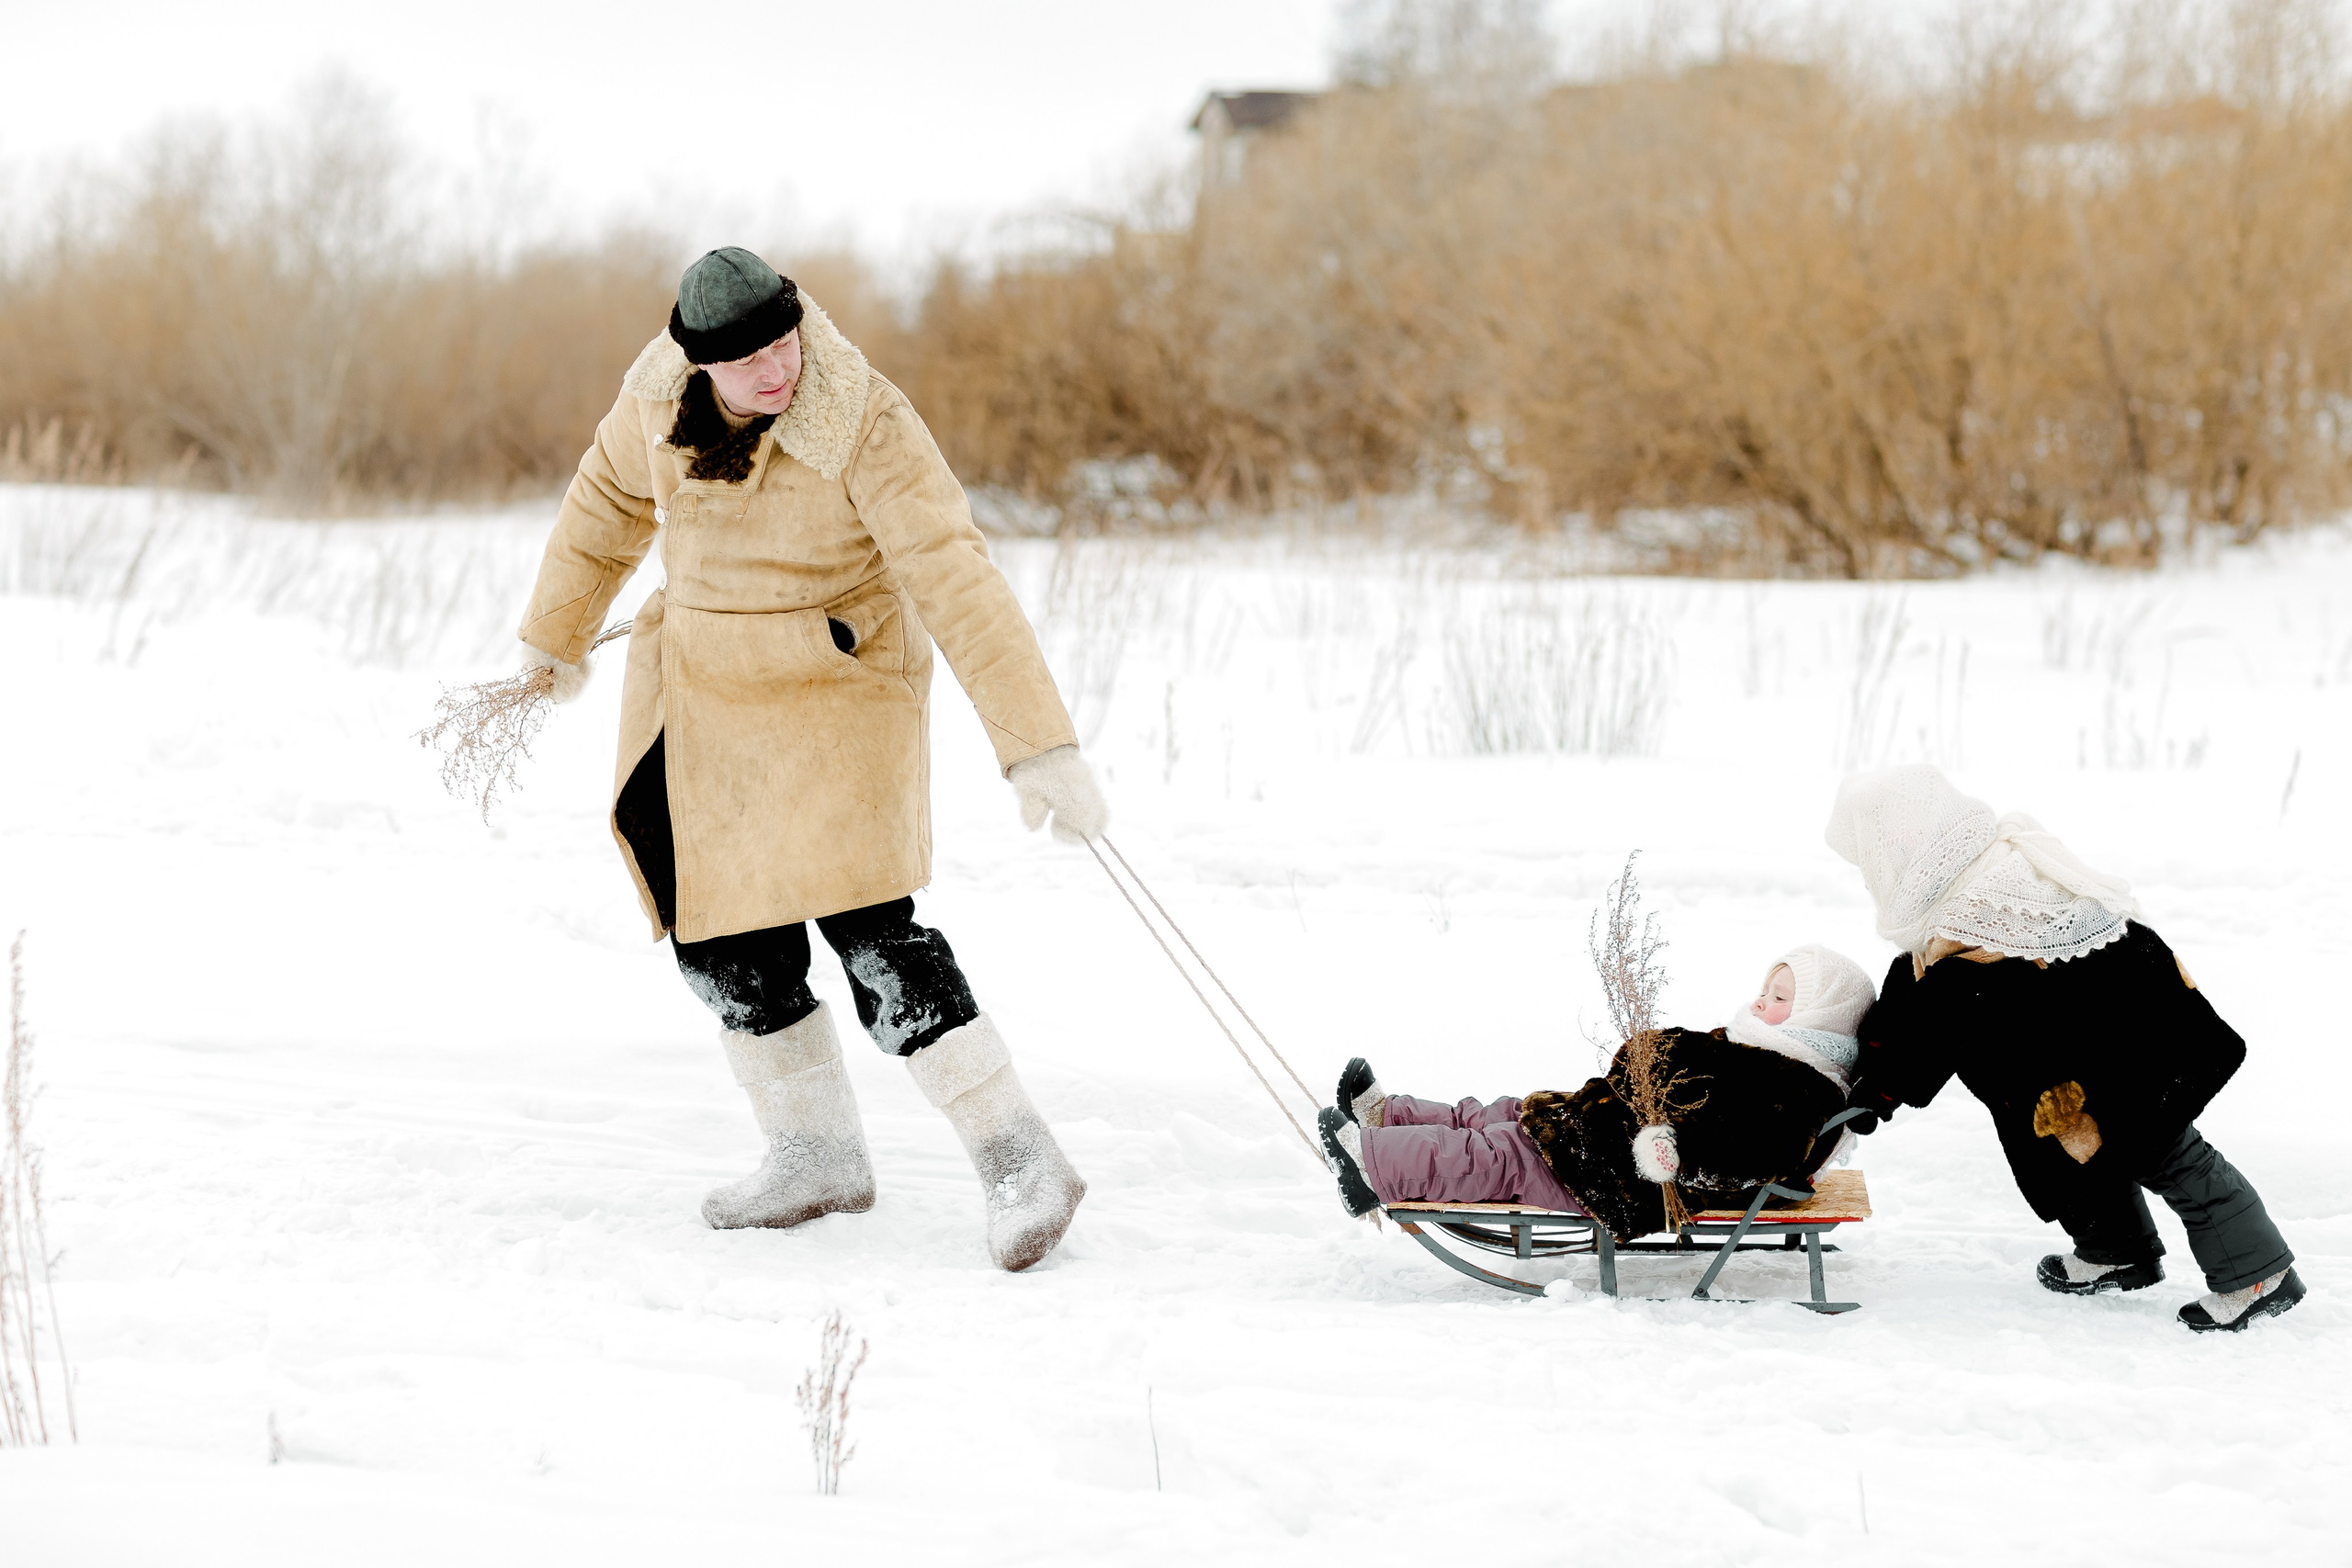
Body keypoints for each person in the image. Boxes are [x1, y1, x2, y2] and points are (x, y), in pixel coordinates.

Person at [514, 247, 1105, 1271]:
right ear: (698, 364)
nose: (777, 370)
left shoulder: (863, 418)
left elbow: (953, 574)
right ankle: (814, 1155)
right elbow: (602, 510)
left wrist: (1037, 746)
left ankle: (1021, 1158)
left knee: (874, 935)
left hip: (837, 693)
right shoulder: (653, 402)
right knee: (716, 937)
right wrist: (551, 638)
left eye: (784, 343)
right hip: (704, 699)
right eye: (747, 361)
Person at [1827, 764, 2303, 1332]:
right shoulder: (1974, 889)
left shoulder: (1978, 922)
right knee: (2070, 1149)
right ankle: (2116, 1251)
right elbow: (1918, 1005)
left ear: (1903, 851)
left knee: (2166, 1152)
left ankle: (2258, 1274)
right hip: (2070, 1065)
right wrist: (1879, 1080)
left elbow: (1929, 1024)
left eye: (1870, 865)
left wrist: (1881, 1089)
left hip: (2135, 1050)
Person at [1318, 944, 1873, 1241]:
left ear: (1819, 1021)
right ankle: (1387, 1120)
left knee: (1506, 1153)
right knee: (1507, 1113)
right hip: (1613, 1127)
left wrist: (1676, 1153)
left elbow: (1755, 1151)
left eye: (1778, 998)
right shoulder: (1765, 1055)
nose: (1759, 1002)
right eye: (1765, 989)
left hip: (1622, 1176)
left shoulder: (1799, 1092)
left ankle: (1372, 1167)